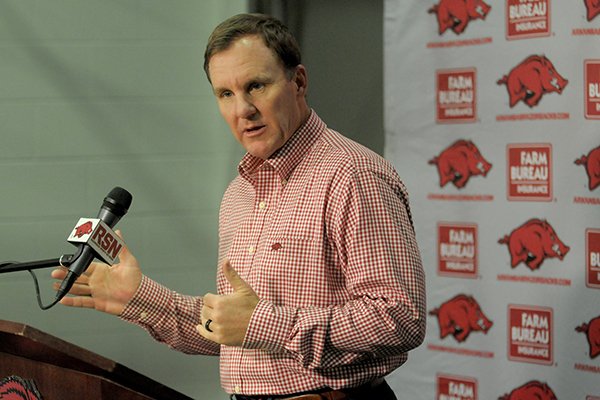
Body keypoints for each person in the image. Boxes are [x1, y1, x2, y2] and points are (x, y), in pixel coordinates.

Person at [51, 13, 426, 400]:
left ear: (298, 82)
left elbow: (400, 317)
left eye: (256, 86)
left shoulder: (353, 175)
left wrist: (262, 325)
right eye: (225, 94)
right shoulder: (239, 194)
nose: (242, 109)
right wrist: (138, 296)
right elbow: (233, 334)